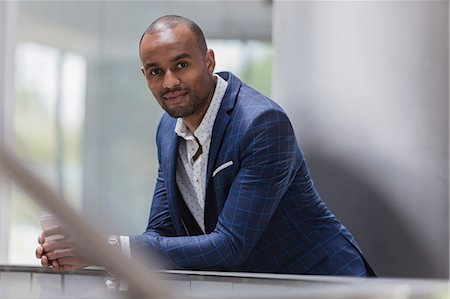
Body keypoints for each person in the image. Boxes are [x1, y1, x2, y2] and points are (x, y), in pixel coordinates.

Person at [36, 15, 375, 276]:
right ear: (144, 76)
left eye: (181, 65)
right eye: (156, 71)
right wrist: (79, 254)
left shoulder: (262, 124)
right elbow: (163, 230)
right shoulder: (168, 130)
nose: (169, 82)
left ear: (209, 61)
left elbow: (229, 246)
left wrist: (105, 248)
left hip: (326, 282)